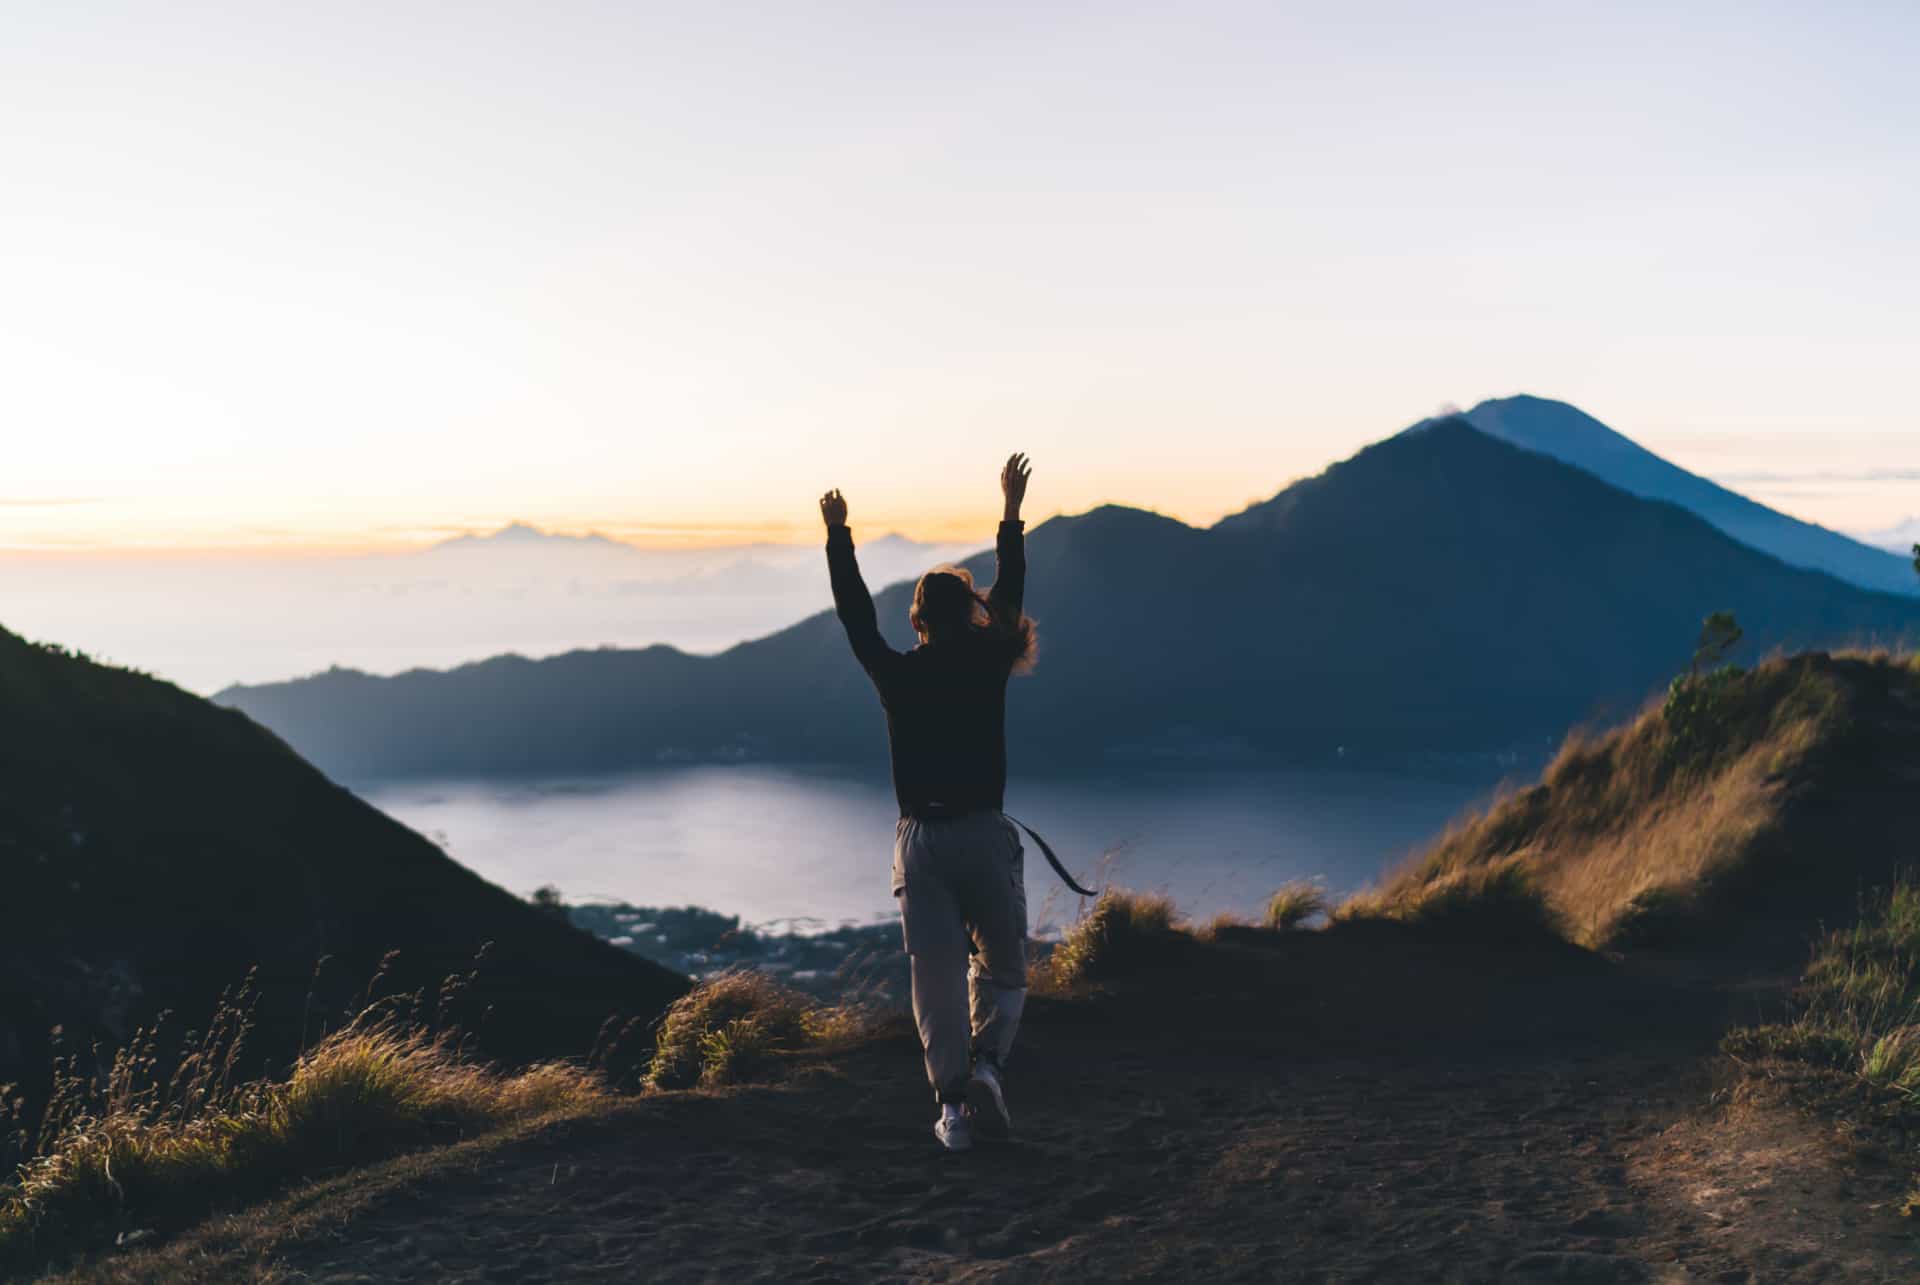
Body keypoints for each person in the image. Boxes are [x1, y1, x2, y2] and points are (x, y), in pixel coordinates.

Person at [819, 453, 1038, 1153]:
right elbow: (1010, 590)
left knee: (934, 976)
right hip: (982, 831)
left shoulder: (897, 675)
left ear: (917, 621)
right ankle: (990, 1070)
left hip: (920, 841)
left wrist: (839, 537)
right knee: (1001, 966)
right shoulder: (988, 660)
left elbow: (856, 621)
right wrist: (1008, 512)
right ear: (969, 617)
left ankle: (951, 1110)